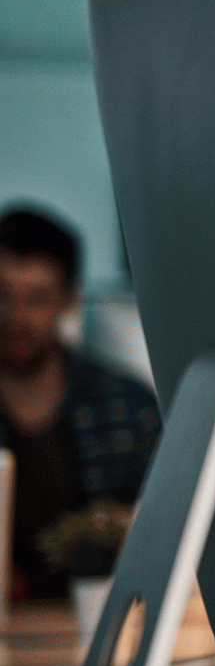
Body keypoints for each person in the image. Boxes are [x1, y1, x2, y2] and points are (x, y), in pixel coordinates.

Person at [0, 204, 161, 599]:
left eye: (36, 298)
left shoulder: (128, 409)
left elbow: (165, 539)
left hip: (100, 630)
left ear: (69, 300)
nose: (16, 316)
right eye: (2, 295)